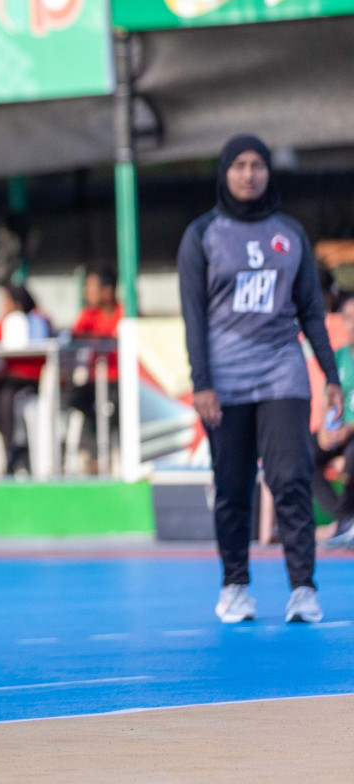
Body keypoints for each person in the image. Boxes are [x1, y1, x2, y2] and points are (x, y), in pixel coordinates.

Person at [178, 134, 341, 625]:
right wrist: (201, 382)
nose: (249, 174)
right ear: (225, 172)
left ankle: (303, 590)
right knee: (232, 487)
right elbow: (193, 317)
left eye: (258, 165)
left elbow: (312, 312)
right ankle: (235, 587)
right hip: (224, 384)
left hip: (281, 375)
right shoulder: (202, 234)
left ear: (269, 172)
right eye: (239, 165)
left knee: (291, 478)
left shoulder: (289, 234)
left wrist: (331, 375)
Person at [0, 283, 51, 476]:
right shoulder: (7, 322)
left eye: (6, 301)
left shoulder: (38, 319)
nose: (3, 306)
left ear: (17, 303)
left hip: (29, 380)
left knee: (7, 398)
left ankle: (12, 448)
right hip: (7, 379)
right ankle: (14, 445)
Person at [68, 265, 123, 472]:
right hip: (94, 382)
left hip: (119, 381)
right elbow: (74, 337)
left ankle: (107, 456)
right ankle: (96, 453)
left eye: (90, 287)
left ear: (107, 291)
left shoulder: (124, 313)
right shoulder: (88, 315)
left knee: (112, 406)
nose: (86, 292)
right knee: (77, 399)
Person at [316, 293, 354, 546]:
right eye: (349, 318)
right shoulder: (339, 357)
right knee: (300, 455)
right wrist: (322, 430)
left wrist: (349, 428)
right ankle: (345, 518)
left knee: (353, 456)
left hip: (352, 434)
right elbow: (328, 398)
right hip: (338, 431)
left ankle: (346, 521)